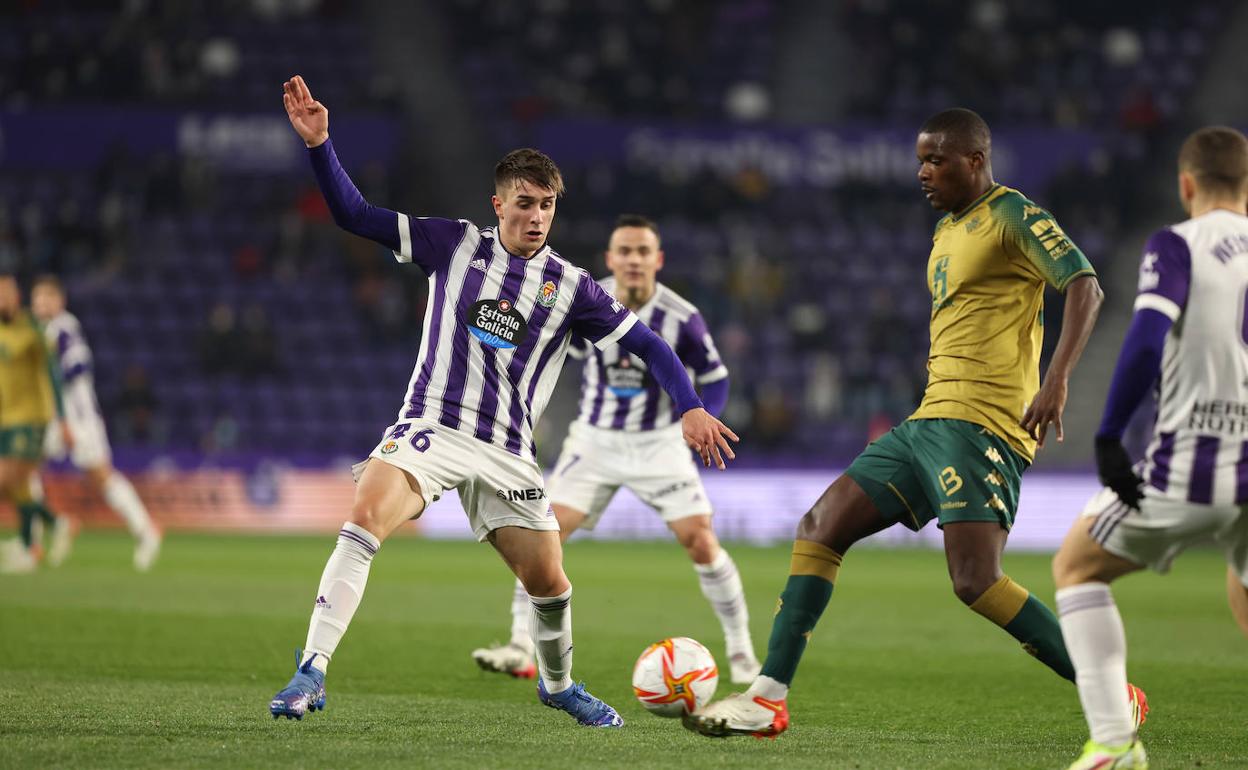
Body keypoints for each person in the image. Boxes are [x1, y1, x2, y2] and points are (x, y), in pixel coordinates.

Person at [269, 76, 738, 726]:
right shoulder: (452, 244)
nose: (537, 215)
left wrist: (688, 402)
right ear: (499, 203)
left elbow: (653, 347)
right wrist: (320, 146)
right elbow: (355, 216)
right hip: (433, 427)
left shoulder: (573, 287)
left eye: (547, 204)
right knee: (367, 515)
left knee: (550, 583)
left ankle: (558, 684)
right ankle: (312, 670)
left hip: (508, 452)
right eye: (525, 202)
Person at [685, 107, 1144, 739]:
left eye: (936, 161)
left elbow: (1085, 284)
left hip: (982, 424)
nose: (923, 173)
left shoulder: (1014, 215)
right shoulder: (946, 231)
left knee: (975, 581)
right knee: (819, 527)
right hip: (928, 419)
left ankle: (1112, 694)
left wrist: (1057, 378)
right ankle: (767, 698)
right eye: (920, 161)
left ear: (975, 161)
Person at [471, 214, 761, 684]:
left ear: (658, 260)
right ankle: (521, 646)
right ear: (610, 259)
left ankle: (742, 651)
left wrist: (703, 420)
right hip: (595, 439)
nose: (633, 260)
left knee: (701, 540)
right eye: (624, 251)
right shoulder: (585, 297)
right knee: (543, 538)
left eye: (643, 251)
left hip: (659, 442)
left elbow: (716, 376)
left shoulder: (681, 316)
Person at [1052, 126, 1248, 770]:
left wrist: (1109, 433)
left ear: (1186, 183)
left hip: (1192, 461)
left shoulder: (1178, 244)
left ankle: (1114, 742)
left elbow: (1143, 339)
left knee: (1077, 568)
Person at [30, 275, 161, 571]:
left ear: (59, 301)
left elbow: (79, 366)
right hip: (53, 417)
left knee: (101, 476)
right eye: (37, 298)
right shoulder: (39, 330)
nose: (41, 304)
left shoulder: (64, 328)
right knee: (24, 468)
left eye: (47, 298)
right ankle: (35, 541)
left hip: (78, 418)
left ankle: (146, 530)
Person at [0, 274, 74, 574]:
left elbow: (54, 373)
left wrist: (63, 418)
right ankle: (50, 529)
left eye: (6, 295)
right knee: (17, 485)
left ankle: (33, 544)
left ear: (17, 298)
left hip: (32, 417)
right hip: (7, 418)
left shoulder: (32, 326)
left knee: (7, 479)